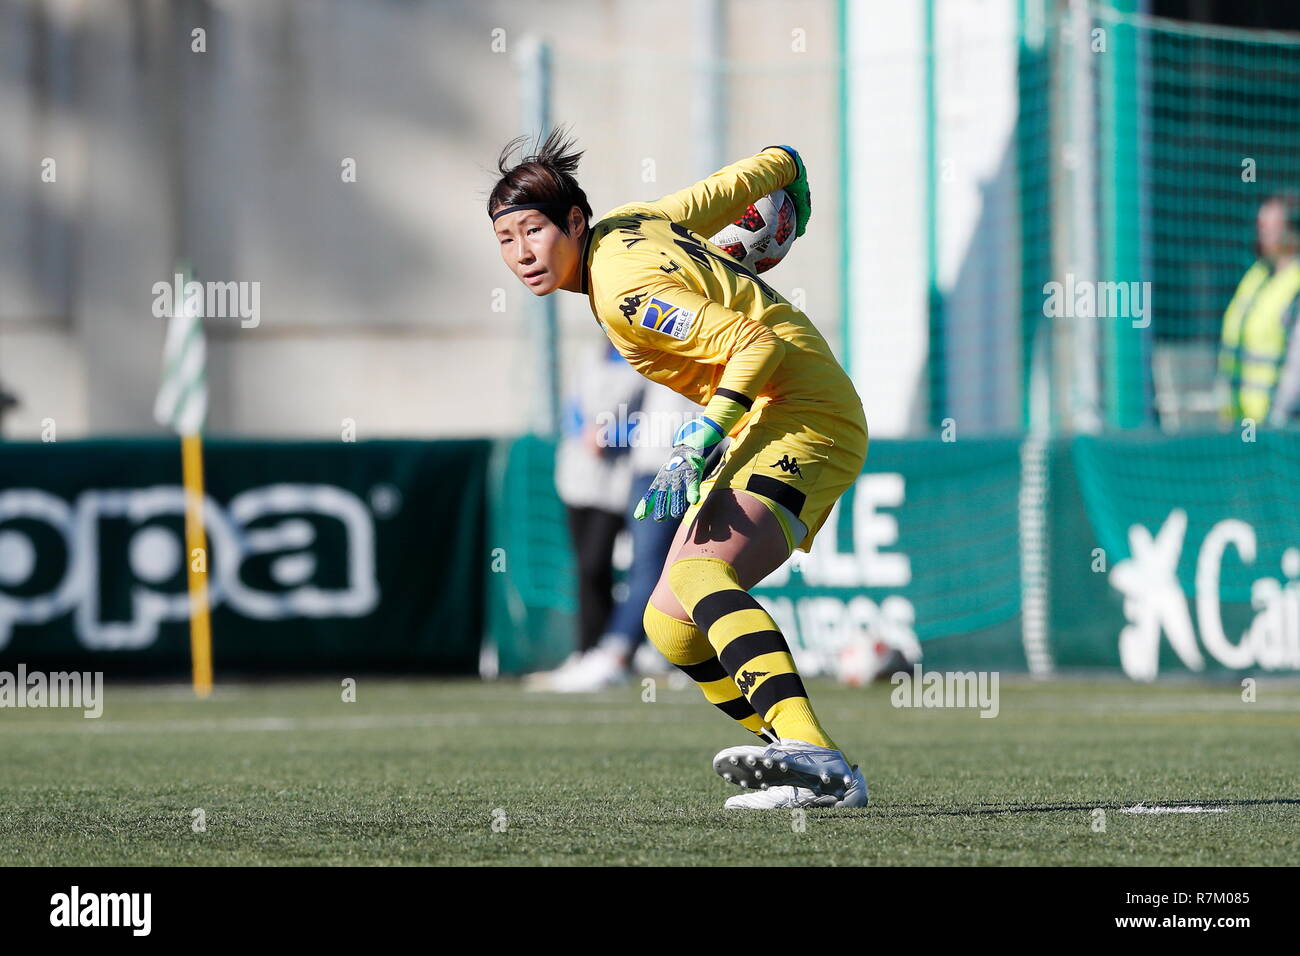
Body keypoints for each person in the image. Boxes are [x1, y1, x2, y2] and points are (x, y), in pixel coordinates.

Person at [489, 129, 868, 810]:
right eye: (506, 240)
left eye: (533, 231)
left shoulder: (622, 289)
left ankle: (815, 757)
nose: (521, 254)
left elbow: (753, 343)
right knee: (670, 625)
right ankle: (803, 759)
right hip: (781, 411)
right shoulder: (637, 222)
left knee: (698, 573)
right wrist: (790, 179)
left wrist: (700, 438)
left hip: (805, 415)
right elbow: (746, 179)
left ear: (575, 221)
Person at [527, 340, 640, 690]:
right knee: (586, 568)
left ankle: (614, 651)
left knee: (601, 562)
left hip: (620, 478)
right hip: (579, 474)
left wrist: (613, 436)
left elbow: (654, 419)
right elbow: (574, 406)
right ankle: (590, 650)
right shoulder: (590, 355)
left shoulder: (647, 361)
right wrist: (585, 432)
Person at [1218, 195, 1300, 426]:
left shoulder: (1295, 283)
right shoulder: (1256, 277)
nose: (1262, 234)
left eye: (1270, 227)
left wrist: (1277, 419)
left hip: (1281, 428)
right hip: (1242, 422)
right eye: (1260, 226)